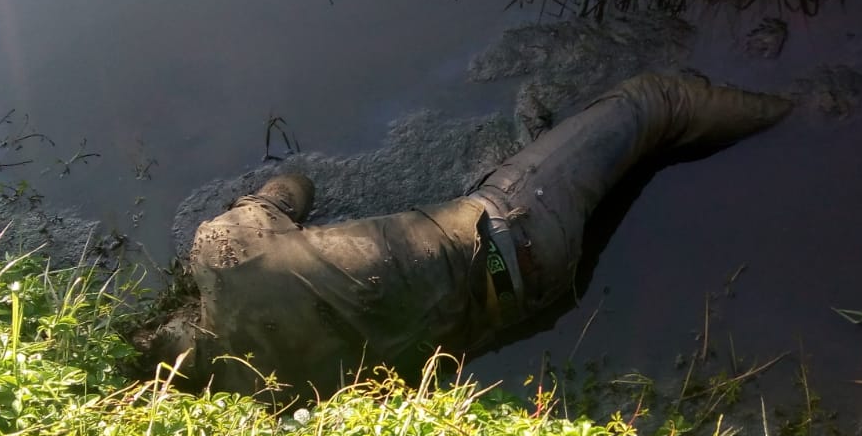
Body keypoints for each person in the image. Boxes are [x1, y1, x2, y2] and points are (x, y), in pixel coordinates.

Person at [143, 72, 792, 402]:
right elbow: (295, 186)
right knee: (654, 104)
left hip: (526, 309)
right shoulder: (225, 253)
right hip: (520, 220)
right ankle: (798, 115)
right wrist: (256, 208)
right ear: (173, 322)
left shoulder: (267, 399)